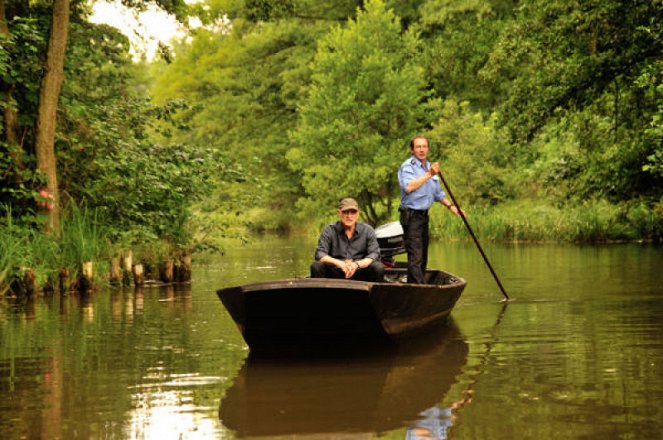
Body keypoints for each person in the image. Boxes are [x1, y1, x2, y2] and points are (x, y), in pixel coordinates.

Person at [398, 135, 461, 284]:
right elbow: (409, 187)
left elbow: (438, 193)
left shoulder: (429, 166)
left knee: (423, 255)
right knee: (416, 256)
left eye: (424, 146)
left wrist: (451, 206)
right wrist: (429, 174)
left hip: (423, 217)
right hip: (411, 216)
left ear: (428, 149)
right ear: (412, 150)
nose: (421, 150)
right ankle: (417, 290)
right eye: (418, 147)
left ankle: (417, 286)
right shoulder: (408, 166)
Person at [311, 198, 385, 282]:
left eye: (353, 212)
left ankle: (372, 295)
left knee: (378, 267)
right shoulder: (329, 230)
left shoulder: (367, 230)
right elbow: (320, 254)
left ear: (358, 214)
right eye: (345, 212)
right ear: (339, 213)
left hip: (359, 271)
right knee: (316, 266)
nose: (349, 216)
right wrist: (340, 264)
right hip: (335, 271)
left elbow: (374, 254)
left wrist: (356, 265)